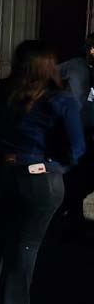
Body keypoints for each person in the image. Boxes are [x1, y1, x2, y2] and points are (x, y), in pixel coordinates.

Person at [0, 40, 86, 304]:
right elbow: (76, 148)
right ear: (50, 67)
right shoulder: (59, 99)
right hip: (37, 179)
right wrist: (55, 167)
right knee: (25, 245)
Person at [58, 33, 94, 237]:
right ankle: (72, 217)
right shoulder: (74, 66)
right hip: (73, 130)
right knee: (73, 175)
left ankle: (69, 212)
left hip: (90, 132)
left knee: (84, 177)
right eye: (90, 47)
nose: (92, 52)